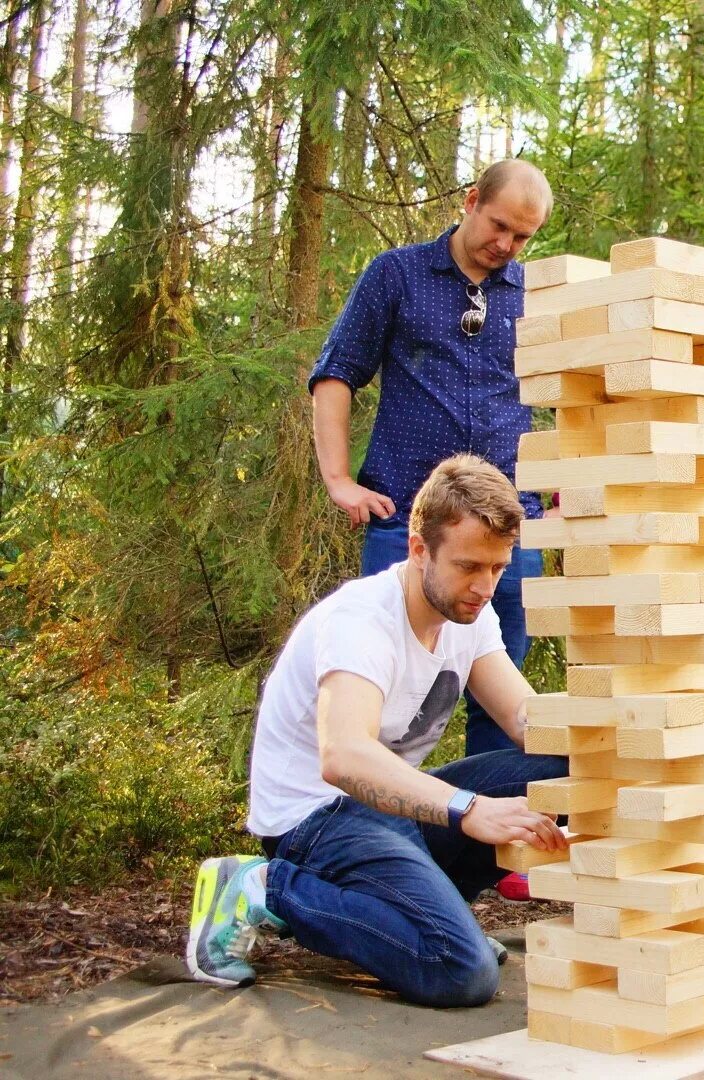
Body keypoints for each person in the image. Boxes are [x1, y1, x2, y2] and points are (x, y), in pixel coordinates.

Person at [184, 455, 569, 1004]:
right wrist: (468, 808)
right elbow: (343, 756)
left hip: (392, 810)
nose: (485, 586)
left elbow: (523, 718)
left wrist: (612, 732)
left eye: (497, 568)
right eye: (468, 567)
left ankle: (425, 918)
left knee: (568, 766)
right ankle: (261, 889)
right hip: (317, 817)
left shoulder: (472, 615)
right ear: (419, 548)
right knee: (462, 972)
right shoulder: (362, 622)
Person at [309, 159, 552, 760]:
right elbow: (336, 373)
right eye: (498, 226)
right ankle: (370, 832)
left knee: (504, 698)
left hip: (509, 529)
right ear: (471, 201)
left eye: (522, 237)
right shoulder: (397, 275)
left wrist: (565, 477)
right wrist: (339, 479)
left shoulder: (536, 297)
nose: (506, 245)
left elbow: (567, 394)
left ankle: (495, 845)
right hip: (406, 525)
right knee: (381, 687)